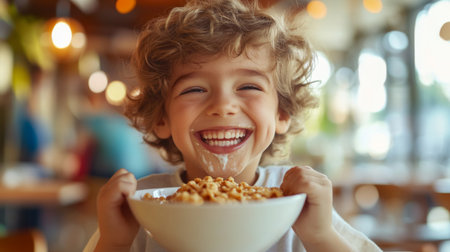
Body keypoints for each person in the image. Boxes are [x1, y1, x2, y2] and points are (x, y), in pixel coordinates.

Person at [84, 0, 382, 251]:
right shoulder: (139, 206)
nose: (222, 106)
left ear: (282, 113)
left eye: (249, 86)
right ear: (162, 118)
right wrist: (113, 243)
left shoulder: (300, 201)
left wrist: (321, 237)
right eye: (194, 89)